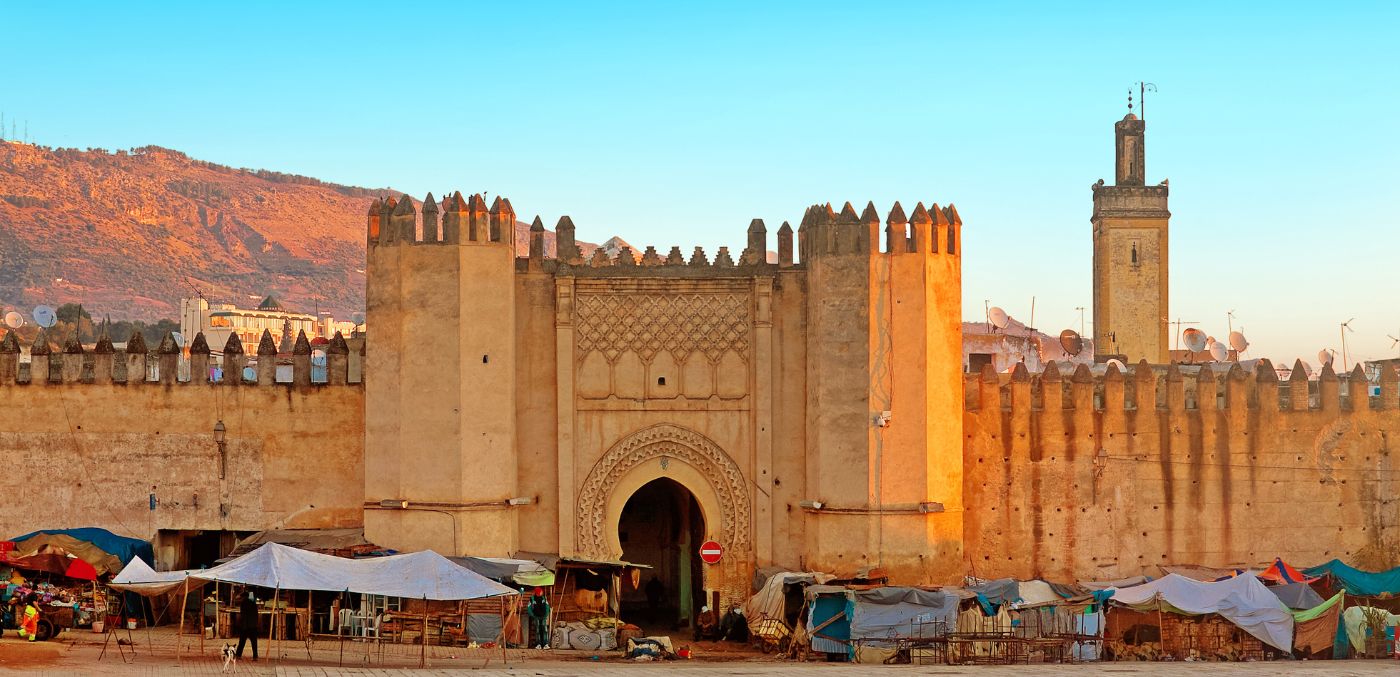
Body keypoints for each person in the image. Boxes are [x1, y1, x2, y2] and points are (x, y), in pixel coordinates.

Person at [234, 591, 259, 661]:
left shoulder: (243, 603)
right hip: (253, 626)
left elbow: (243, 615)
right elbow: (256, 615)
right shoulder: (254, 603)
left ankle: (238, 655)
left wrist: (243, 626)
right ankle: (255, 657)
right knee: (254, 643)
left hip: (246, 626)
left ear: (244, 597)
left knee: (242, 642)